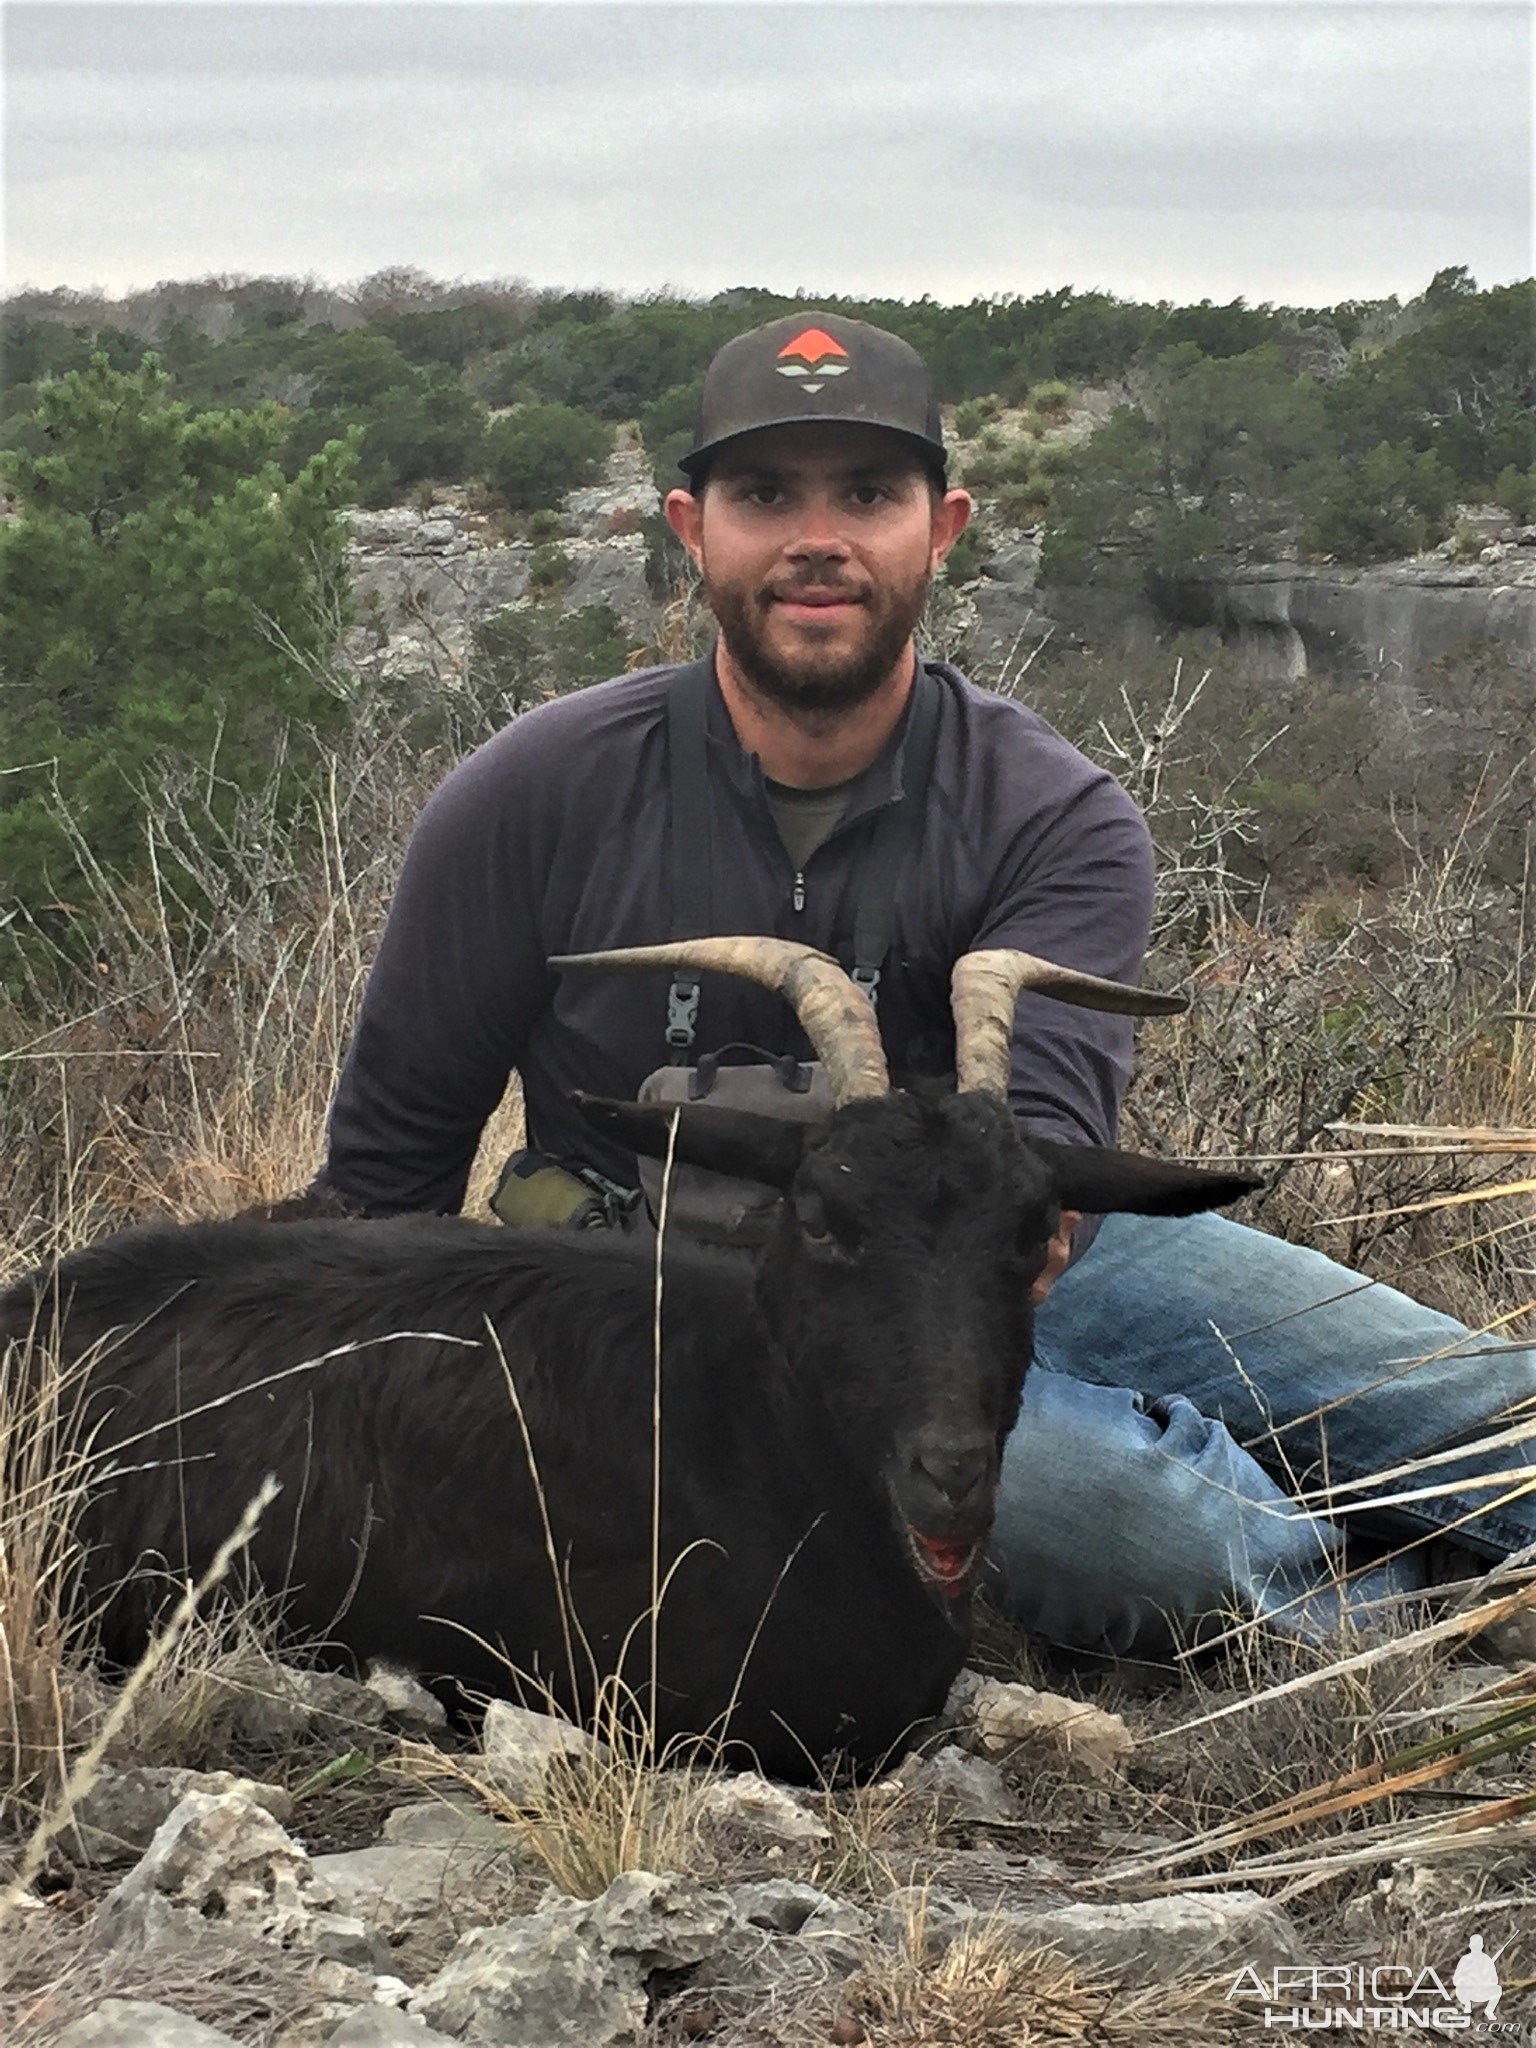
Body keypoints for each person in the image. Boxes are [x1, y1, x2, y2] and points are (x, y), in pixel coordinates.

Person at [309, 312, 1536, 1660]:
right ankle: (1398, 1626)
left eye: (869, 494)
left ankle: (1396, 1514)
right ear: (690, 526)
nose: (816, 538)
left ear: (942, 526)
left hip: (1019, 1266)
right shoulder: (528, 798)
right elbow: (385, 1179)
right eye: (766, 494)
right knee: (1143, 1532)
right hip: (693, 1326)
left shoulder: (1054, 814)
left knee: (1470, 1412)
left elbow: (1047, 1182)